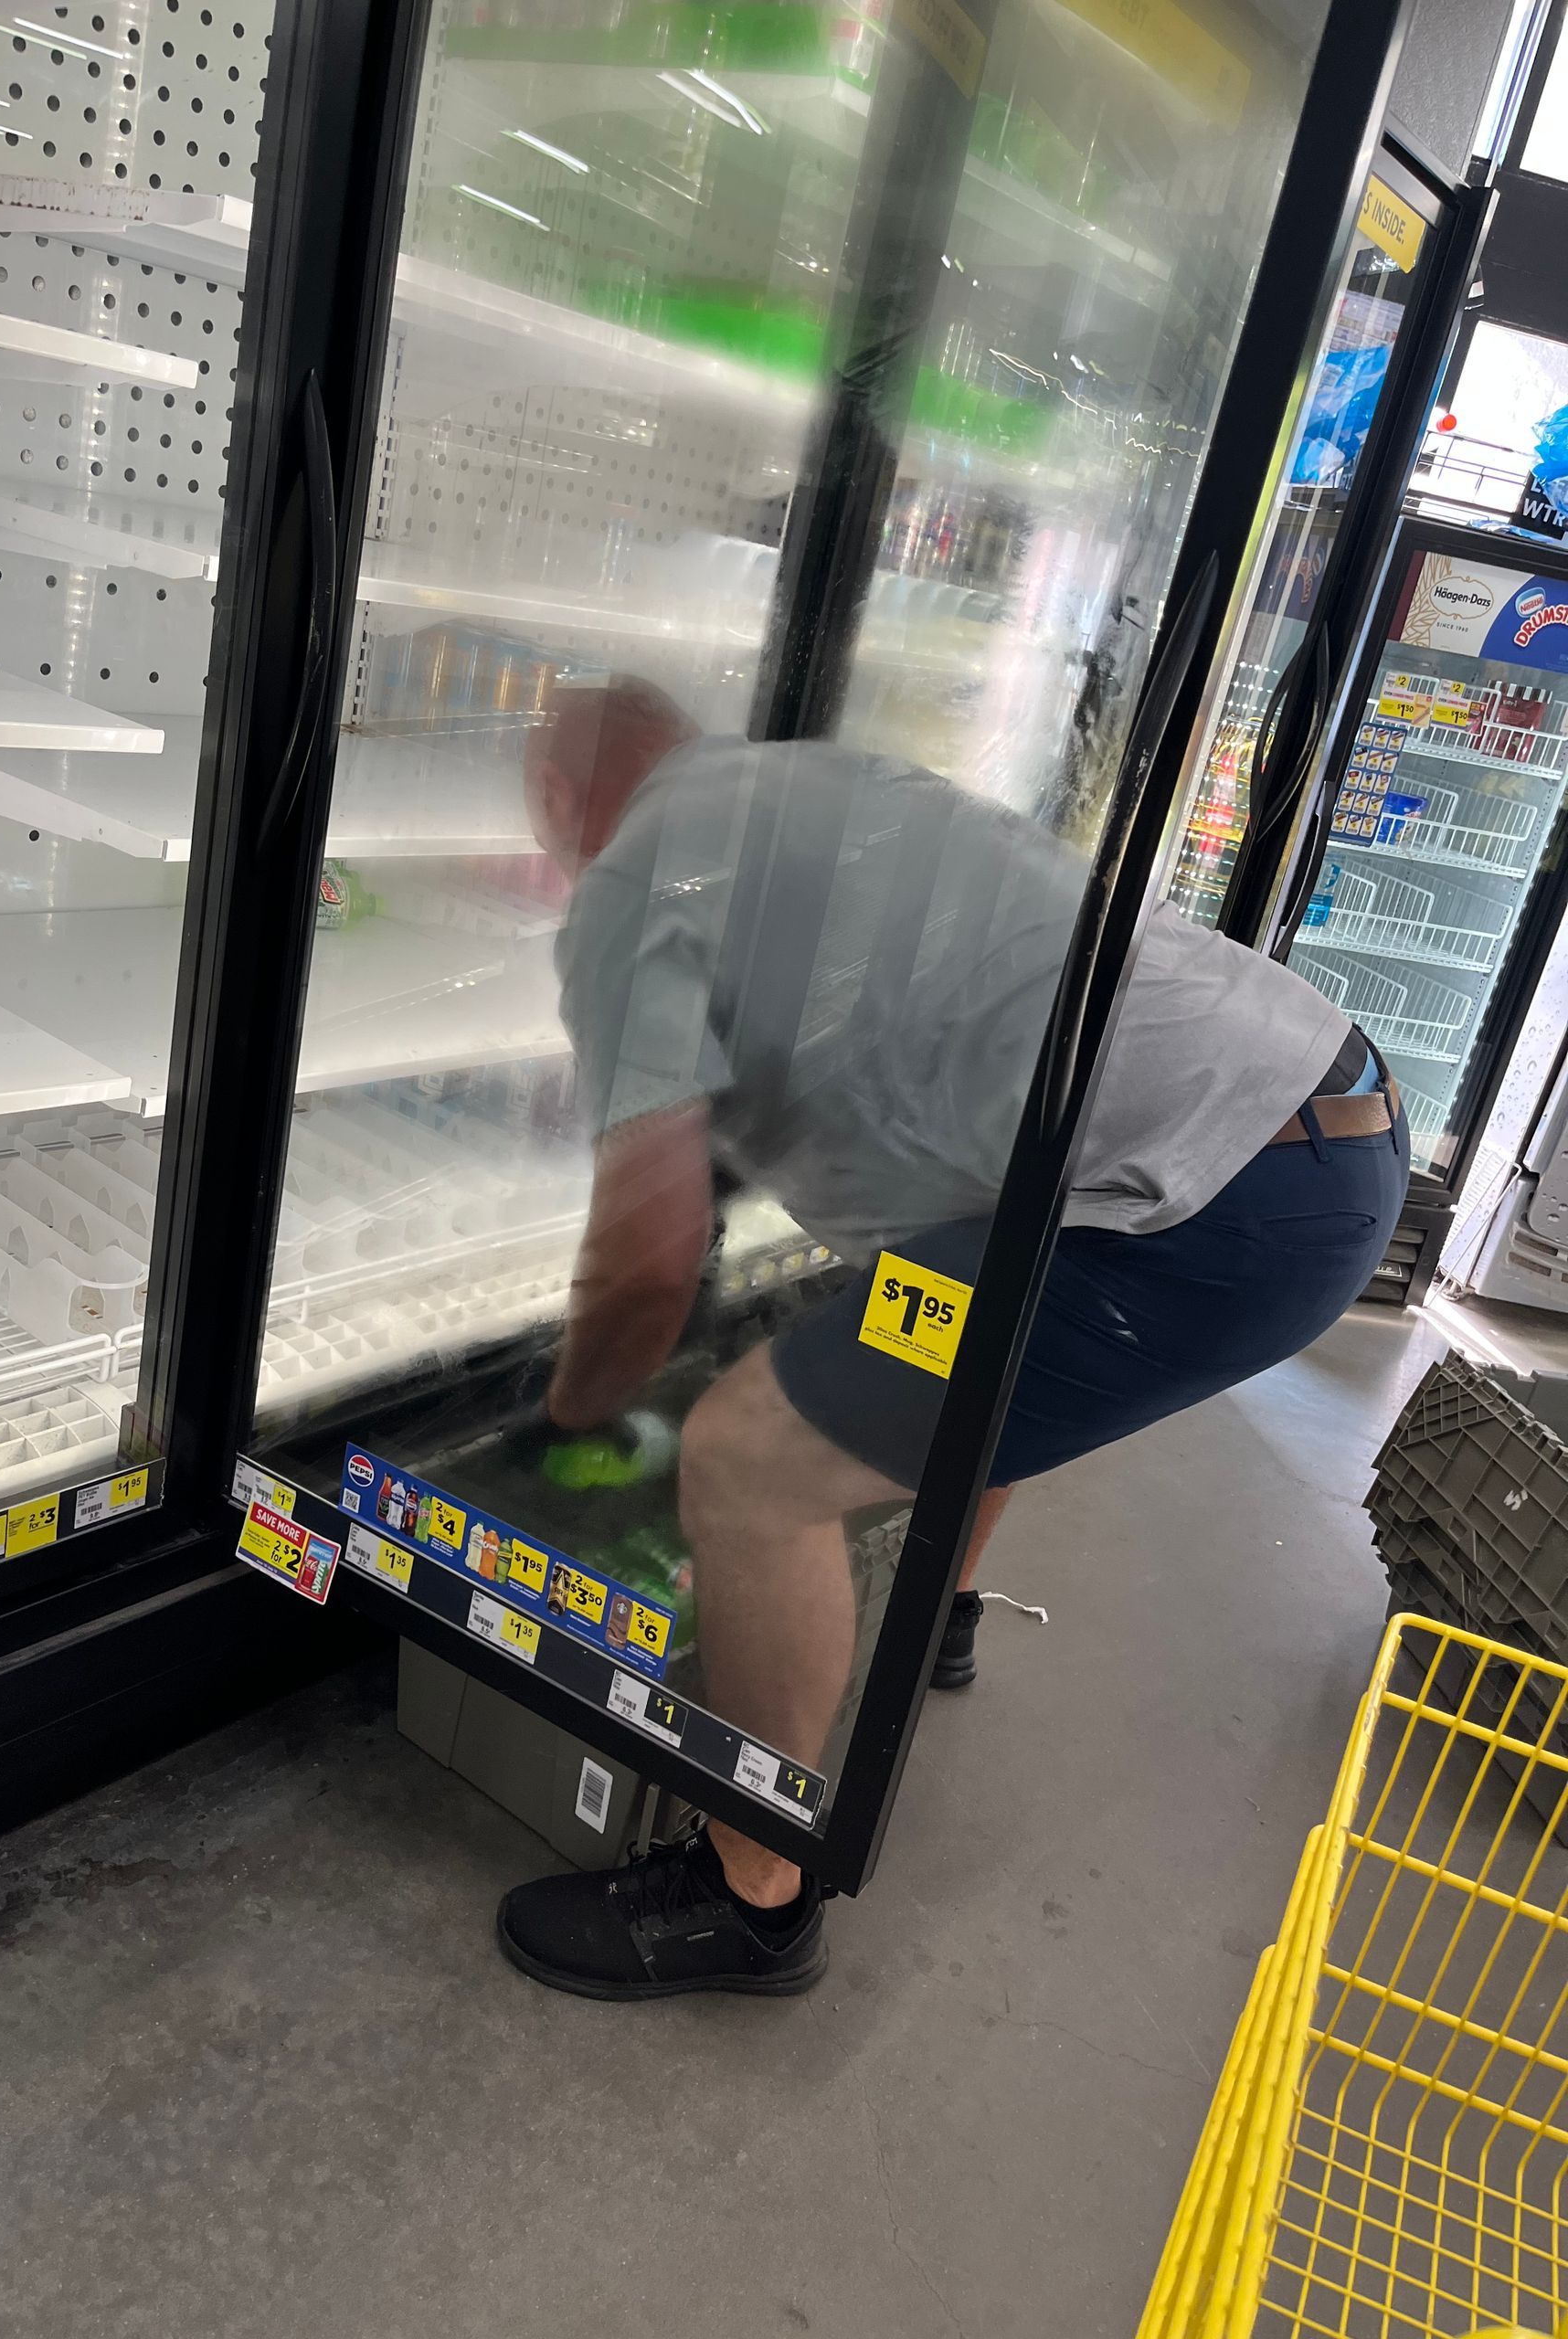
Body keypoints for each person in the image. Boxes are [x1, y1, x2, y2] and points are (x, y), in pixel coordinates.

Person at [494, 674, 1407, 2001]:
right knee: (957, 1311)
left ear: (569, 804)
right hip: (1317, 1106)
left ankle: (753, 1896)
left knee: (747, 1459)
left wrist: (568, 1416)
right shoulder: (828, 787)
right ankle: (938, 1616)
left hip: (1215, 1212)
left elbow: (645, 1268)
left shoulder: (637, 890)